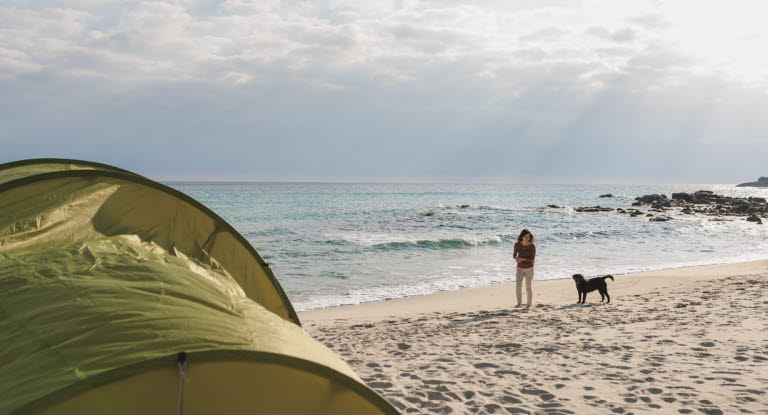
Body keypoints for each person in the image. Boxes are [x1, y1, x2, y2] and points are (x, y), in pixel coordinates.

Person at [513, 229, 536, 308]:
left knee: (528, 287)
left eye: (529, 237)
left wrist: (523, 259)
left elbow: (532, 259)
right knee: (518, 285)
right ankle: (519, 303)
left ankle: (529, 304)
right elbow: (514, 255)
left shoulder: (532, 246)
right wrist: (516, 259)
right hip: (519, 268)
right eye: (525, 236)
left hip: (529, 268)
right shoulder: (517, 245)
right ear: (522, 236)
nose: (527, 238)